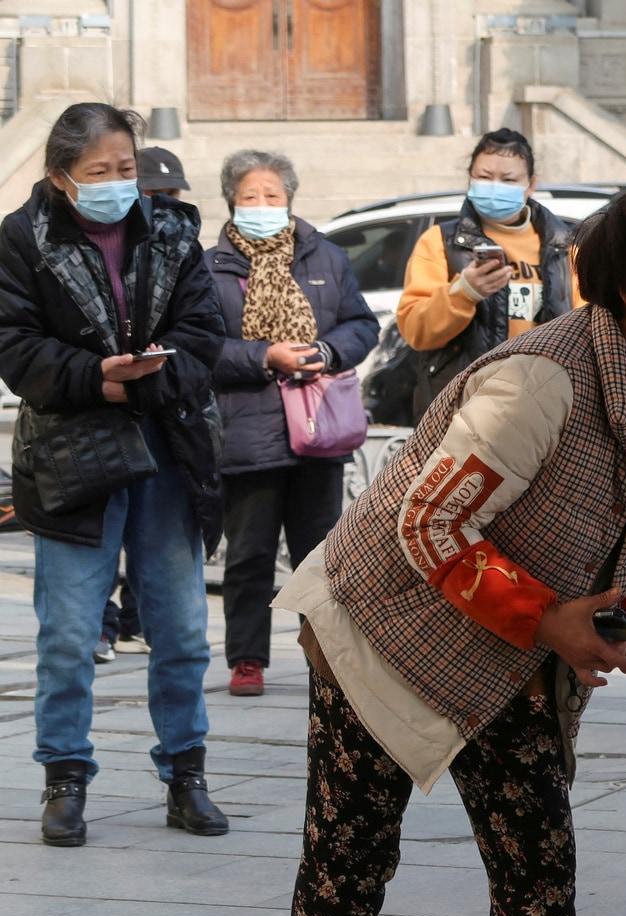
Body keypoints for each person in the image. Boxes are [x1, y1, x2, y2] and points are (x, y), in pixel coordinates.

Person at [272, 180, 626, 916]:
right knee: (346, 872)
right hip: (378, 635)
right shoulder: (538, 383)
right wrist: (550, 619)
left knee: (538, 882)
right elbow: (429, 524)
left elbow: (620, 508)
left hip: (509, 658)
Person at [0, 103, 229, 846]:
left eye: (126, 169)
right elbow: (14, 346)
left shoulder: (172, 231)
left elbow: (204, 334)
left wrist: (148, 381)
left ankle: (186, 774)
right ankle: (64, 778)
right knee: (68, 633)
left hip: (166, 448)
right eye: (99, 173)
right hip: (73, 460)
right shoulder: (19, 239)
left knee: (184, 630)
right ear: (61, 177)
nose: (116, 184)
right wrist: (99, 378)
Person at [208, 150, 379, 698]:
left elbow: (361, 325)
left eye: (272, 196)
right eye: (250, 197)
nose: (262, 205)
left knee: (320, 553)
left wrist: (327, 351)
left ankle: (324, 653)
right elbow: (203, 346)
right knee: (250, 553)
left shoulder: (325, 257)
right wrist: (263, 356)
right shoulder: (212, 268)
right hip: (249, 429)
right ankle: (248, 659)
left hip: (319, 428)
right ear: (232, 203)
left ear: (290, 199)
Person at [397, 128, 578, 421]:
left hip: (547, 406)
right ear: (469, 179)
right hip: (464, 408)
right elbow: (416, 330)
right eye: (483, 177)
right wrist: (464, 293)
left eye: (508, 180)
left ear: (530, 185)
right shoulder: (439, 242)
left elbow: (589, 326)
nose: (495, 187)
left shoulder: (566, 247)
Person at [95, 145, 193, 663]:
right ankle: (106, 625)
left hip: (165, 419)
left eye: (170, 194)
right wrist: (98, 377)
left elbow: (201, 335)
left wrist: (157, 373)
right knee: (99, 546)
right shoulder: (100, 243)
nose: (162, 203)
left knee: (158, 549)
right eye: (153, 193)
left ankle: (138, 621)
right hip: (96, 420)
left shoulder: (182, 244)